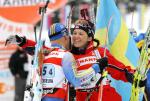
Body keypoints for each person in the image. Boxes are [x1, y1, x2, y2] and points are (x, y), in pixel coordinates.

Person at [6, 23, 104, 101]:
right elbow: (76, 80)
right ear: (65, 37)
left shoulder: (43, 54)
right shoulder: (65, 55)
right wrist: (97, 67)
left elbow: (34, 48)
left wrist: (22, 41)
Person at [70, 19, 146, 101]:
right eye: (74, 33)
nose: (76, 36)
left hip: (104, 95)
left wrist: (133, 77)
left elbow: (118, 68)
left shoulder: (99, 52)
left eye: (80, 34)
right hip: (81, 97)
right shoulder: (68, 55)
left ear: (89, 38)